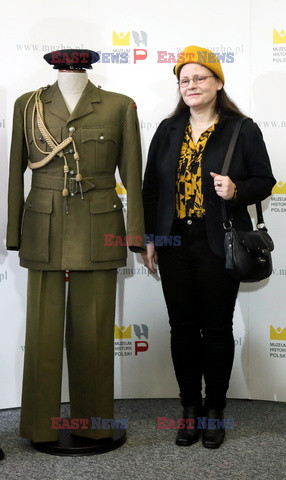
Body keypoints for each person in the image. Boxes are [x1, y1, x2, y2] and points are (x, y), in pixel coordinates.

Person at [6, 49, 145, 445]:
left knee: (95, 331)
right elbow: (16, 171)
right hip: (43, 226)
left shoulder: (119, 106)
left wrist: (134, 235)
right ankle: (39, 425)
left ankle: (94, 423)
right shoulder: (28, 105)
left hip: (99, 225)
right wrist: (13, 233)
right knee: (42, 334)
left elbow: (131, 176)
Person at [142, 45, 275, 449]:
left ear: (218, 82)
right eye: (184, 79)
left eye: (200, 78)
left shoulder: (242, 128)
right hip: (174, 241)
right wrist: (149, 239)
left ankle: (215, 409)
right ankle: (189, 409)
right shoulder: (167, 130)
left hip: (219, 240)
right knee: (182, 328)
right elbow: (151, 190)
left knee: (216, 328)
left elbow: (265, 181)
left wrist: (236, 190)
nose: (191, 85)